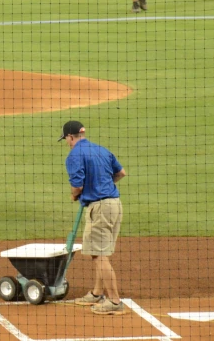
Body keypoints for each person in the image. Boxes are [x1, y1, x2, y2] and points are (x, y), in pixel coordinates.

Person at [58, 121, 127, 316]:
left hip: (100, 208)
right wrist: (101, 185)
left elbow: (77, 186)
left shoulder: (74, 155)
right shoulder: (101, 150)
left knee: (100, 255)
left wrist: (74, 195)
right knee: (99, 252)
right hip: (115, 205)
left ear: (70, 137)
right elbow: (120, 173)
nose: (67, 143)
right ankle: (97, 293)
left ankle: (114, 301)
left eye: (66, 139)